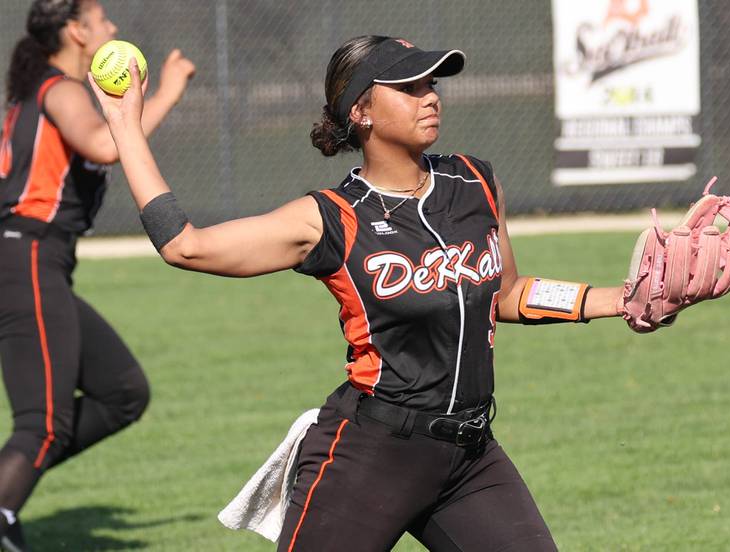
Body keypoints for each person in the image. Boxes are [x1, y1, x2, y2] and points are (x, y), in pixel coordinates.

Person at [90, 35, 625, 552]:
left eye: (431, 83)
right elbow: (187, 246)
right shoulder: (331, 218)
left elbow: (507, 293)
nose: (431, 95)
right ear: (361, 111)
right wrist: (124, 126)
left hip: (470, 456)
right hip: (371, 456)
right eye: (410, 87)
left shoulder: (476, 184)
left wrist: (619, 299)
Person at [0, 1, 195, 549]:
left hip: (42, 261)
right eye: (101, 19)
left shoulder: (53, 88)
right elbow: (107, 144)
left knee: (123, 392)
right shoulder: (59, 89)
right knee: (41, 424)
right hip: (26, 255)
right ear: (76, 31)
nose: (111, 28)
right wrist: (167, 94)